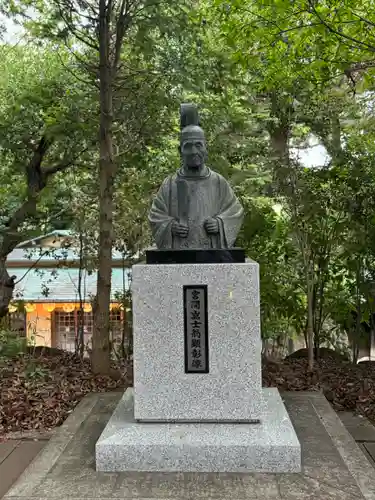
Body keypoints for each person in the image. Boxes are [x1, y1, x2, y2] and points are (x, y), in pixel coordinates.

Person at [148, 107, 243, 250]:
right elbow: (156, 216)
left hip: (211, 253)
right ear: (180, 151)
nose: (194, 151)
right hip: (179, 254)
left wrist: (219, 223)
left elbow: (235, 212)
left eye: (198, 145)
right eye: (188, 146)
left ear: (206, 148)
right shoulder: (170, 184)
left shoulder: (218, 182)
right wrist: (171, 227)